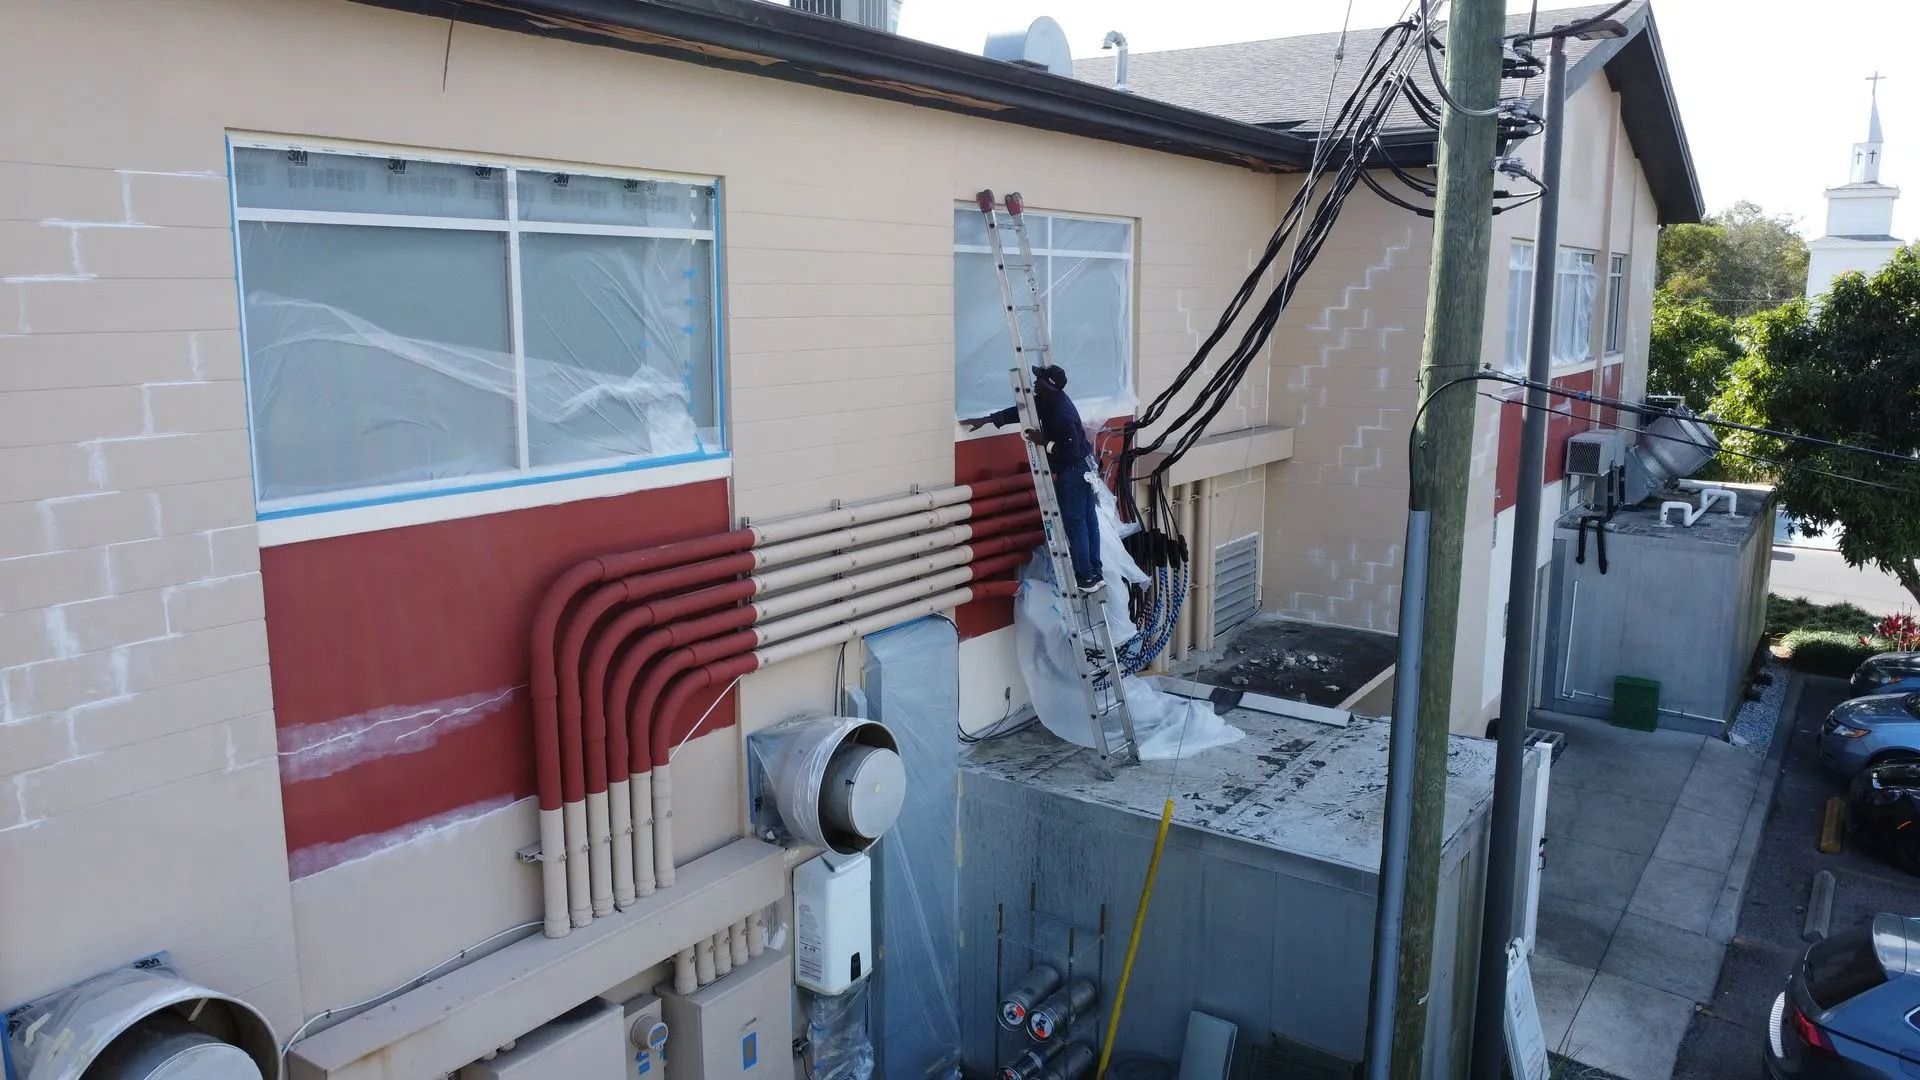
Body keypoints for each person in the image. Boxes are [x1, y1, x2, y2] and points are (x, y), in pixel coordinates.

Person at [963, 365, 1105, 594]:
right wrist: (988, 420)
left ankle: (1086, 577)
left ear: (1049, 386)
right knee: (1089, 522)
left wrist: (1044, 442)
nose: (1034, 383)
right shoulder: (1049, 400)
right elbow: (1021, 412)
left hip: (1075, 472)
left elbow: (1068, 452)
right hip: (1084, 469)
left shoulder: (1062, 415)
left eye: (1039, 380)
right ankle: (1095, 573)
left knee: (1078, 524)